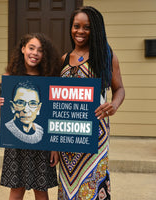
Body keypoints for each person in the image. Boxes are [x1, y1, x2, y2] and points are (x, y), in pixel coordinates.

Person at [58, 6, 125, 200]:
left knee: (92, 184)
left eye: (86, 27)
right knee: (68, 186)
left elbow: (119, 89)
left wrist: (114, 105)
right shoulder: (63, 60)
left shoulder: (106, 56)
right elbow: (54, 101)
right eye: (76, 26)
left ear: (95, 29)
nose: (80, 31)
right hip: (67, 134)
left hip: (96, 133)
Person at [0, 32, 61, 200]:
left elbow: (52, 115)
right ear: (23, 49)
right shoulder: (10, 79)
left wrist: (54, 147)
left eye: (40, 50)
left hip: (42, 144)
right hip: (16, 144)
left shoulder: (49, 79)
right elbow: (5, 115)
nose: (35, 53)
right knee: (16, 190)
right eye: (31, 48)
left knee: (41, 191)